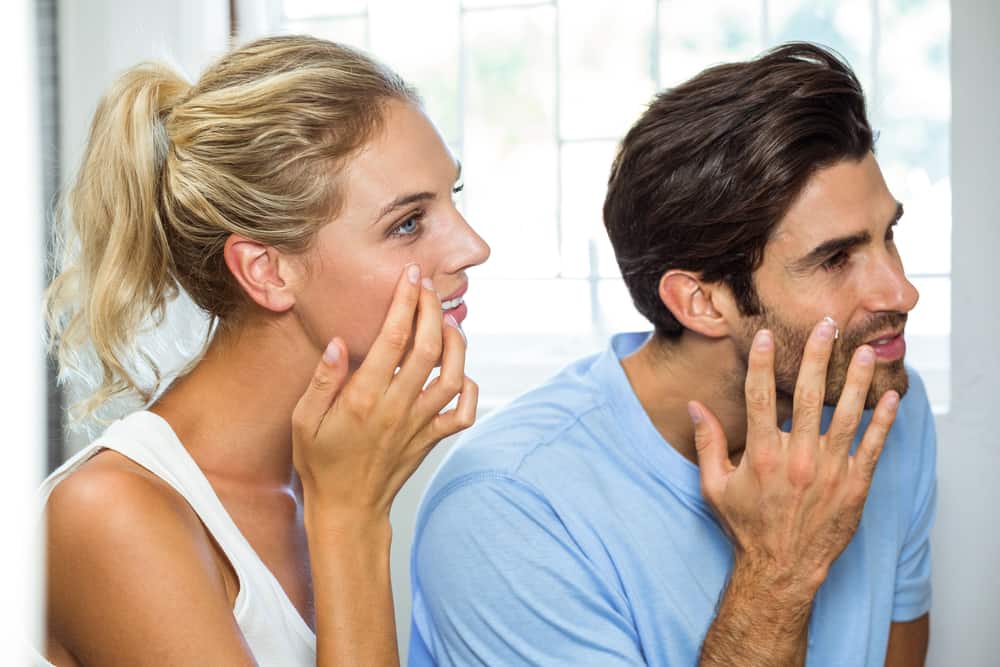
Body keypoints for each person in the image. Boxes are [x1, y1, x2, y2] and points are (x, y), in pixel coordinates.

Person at [409, 42, 935, 666]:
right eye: (835, 259)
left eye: (889, 235)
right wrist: (778, 572)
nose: (902, 291)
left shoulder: (881, 403)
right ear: (701, 303)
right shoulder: (506, 510)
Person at [41, 35, 489, 666]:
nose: (473, 247)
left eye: (454, 199)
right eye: (408, 223)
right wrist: (351, 525)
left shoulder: (339, 464)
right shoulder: (112, 515)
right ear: (268, 272)